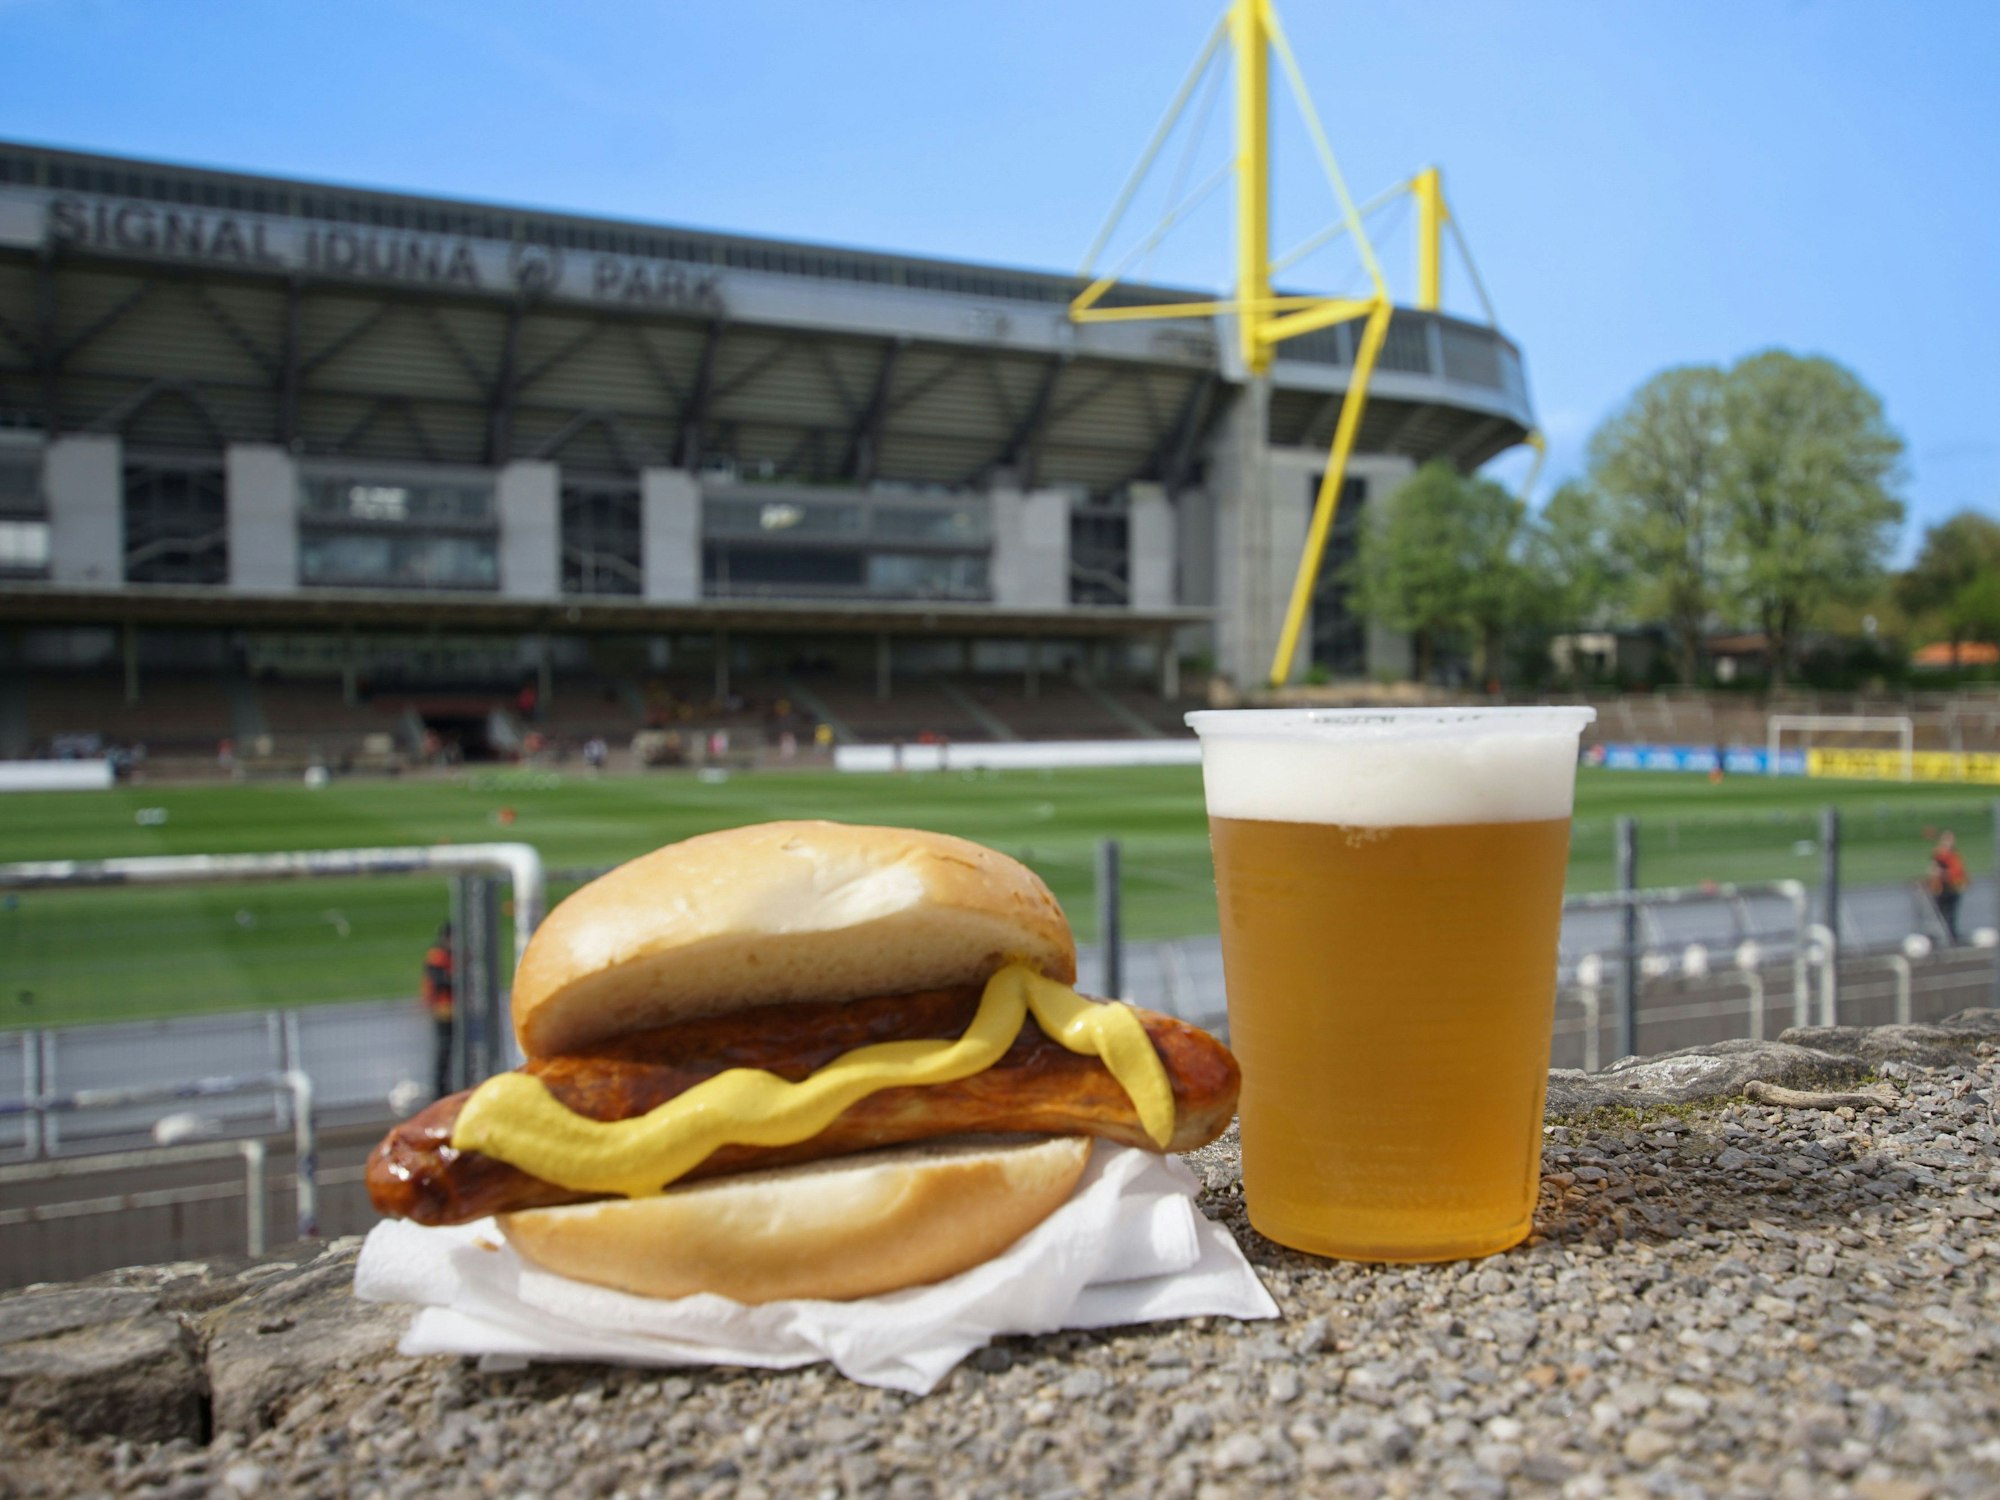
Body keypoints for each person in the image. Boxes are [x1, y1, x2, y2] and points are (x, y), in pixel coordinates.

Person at [423, 923, 456, 1097]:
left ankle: (452, 1087)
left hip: (456, 1010)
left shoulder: (455, 955)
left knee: (455, 1050)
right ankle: (440, 1091)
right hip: (443, 1011)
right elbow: (439, 982)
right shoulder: (437, 956)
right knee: (444, 1051)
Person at [1929, 831, 1970, 945]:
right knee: (1940, 915)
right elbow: (1935, 870)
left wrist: (1963, 881)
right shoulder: (1939, 854)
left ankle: (1951, 938)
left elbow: (1959, 870)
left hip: (1953, 887)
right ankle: (1942, 938)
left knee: (1951, 915)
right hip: (1941, 889)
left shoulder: (1954, 855)